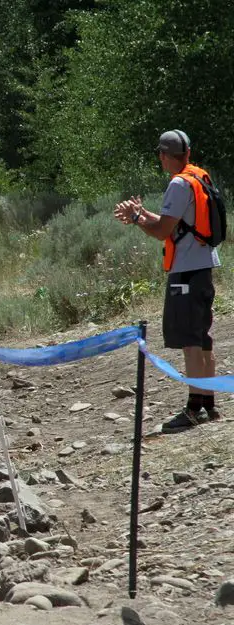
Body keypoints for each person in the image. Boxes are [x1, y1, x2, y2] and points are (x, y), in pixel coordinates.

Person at [114, 130, 222, 433]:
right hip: (203, 267)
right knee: (202, 338)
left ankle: (193, 408)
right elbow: (177, 224)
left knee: (190, 341)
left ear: (164, 154)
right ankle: (209, 405)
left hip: (186, 270)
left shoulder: (177, 184)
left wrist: (136, 220)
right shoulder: (198, 176)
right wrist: (142, 213)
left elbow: (163, 232)